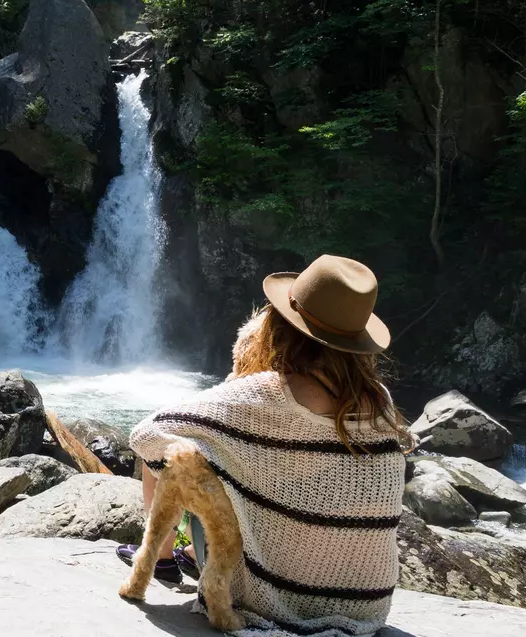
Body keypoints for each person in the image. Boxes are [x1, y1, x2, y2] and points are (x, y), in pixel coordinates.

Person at [116, 254, 413, 636]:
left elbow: (145, 435)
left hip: (273, 597)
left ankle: (162, 558)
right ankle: (190, 555)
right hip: (364, 606)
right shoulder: (381, 401)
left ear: (282, 327)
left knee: (196, 453)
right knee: (252, 466)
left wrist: (229, 417)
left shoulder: (264, 394)